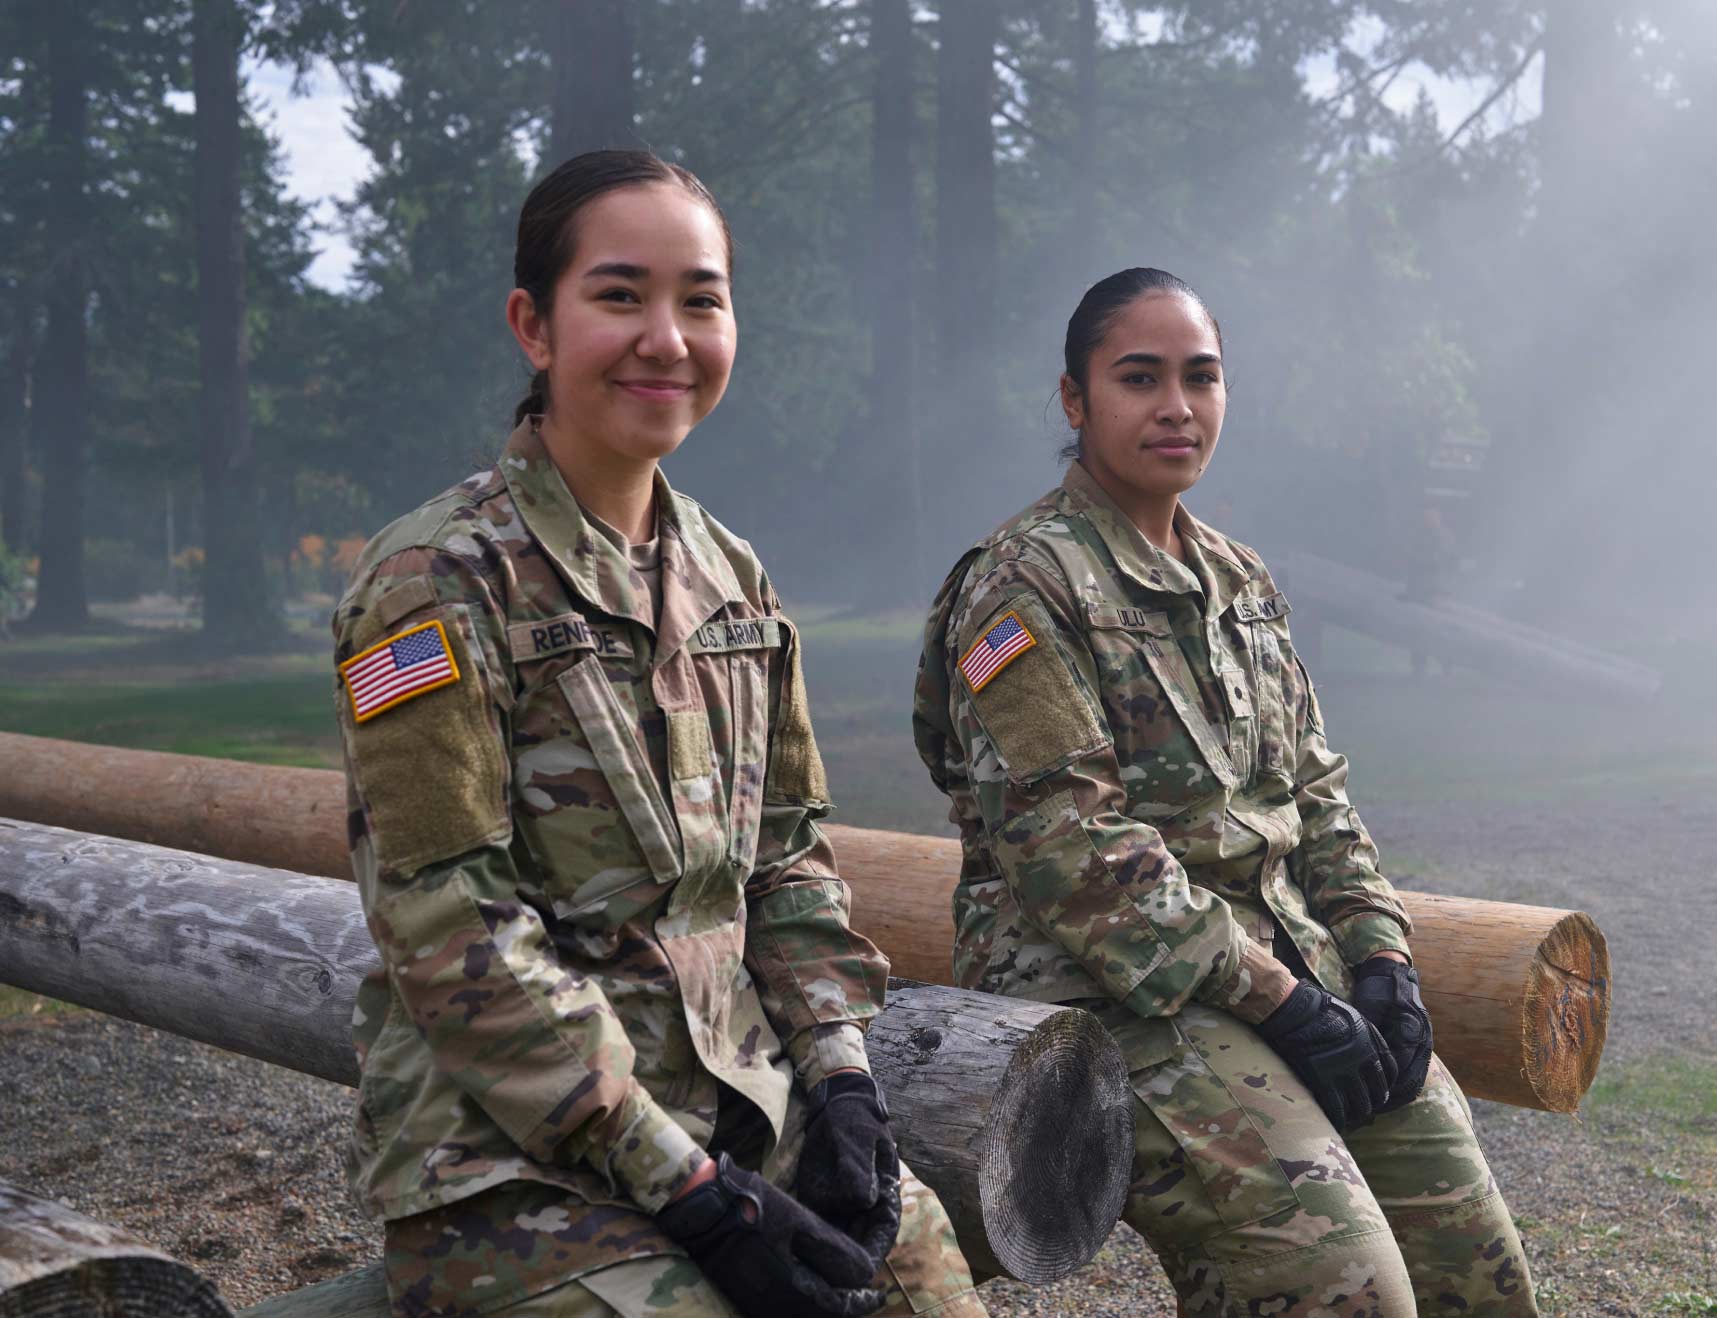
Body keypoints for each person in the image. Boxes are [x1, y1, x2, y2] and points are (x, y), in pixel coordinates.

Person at [332, 150, 985, 1318]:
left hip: (740, 1114)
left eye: (701, 298)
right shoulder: (434, 580)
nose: (667, 338)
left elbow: (784, 861)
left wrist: (839, 1086)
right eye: (620, 295)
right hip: (512, 1167)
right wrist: (678, 1185)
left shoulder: (732, 578)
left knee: (928, 1285)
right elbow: (450, 930)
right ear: (534, 324)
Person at [912, 268, 1537, 1316]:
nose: (1174, 405)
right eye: (1137, 377)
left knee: (1475, 1271)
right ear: (1074, 401)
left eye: (1199, 377)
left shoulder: (1237, 581)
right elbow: (1074, 855)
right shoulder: (1023, 586)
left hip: (1285, 967)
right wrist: (1286, 1003)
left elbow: (1316, 795)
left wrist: (1382, 960)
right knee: (1336, 1286)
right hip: (1110, 990)